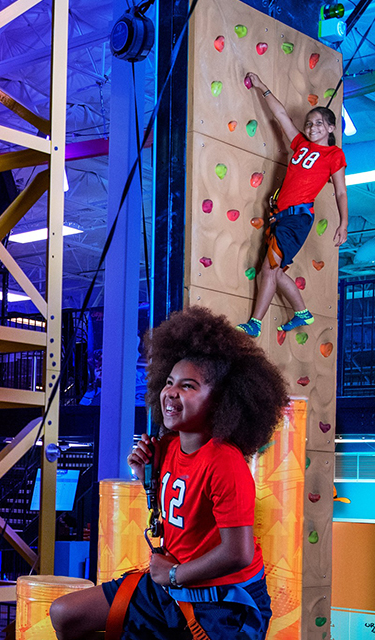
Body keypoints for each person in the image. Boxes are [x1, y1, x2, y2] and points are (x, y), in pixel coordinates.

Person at [49, 305, 289, 640]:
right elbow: (179, 508)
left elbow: (238, 553)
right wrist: (144, 475)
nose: (171, 392)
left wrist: (175, 574)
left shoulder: (224, 461)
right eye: (169, 382)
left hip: (221, 604)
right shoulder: (168, 446)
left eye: (188, 386)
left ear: (221, 400)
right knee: (64, 614)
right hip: (167, 588)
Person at [236, 71, 348, 338]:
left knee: (268, 269)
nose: (312, 128)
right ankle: (302, 312)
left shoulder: (334, 154)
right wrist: (262, 86)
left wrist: (344, 223)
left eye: (319, 123)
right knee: (274, 271)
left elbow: (341, 191)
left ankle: (255, 323)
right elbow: (281, 115)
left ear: (331, 128)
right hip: (281, 216)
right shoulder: (300, 144)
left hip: (297, 219)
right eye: (309, 124)